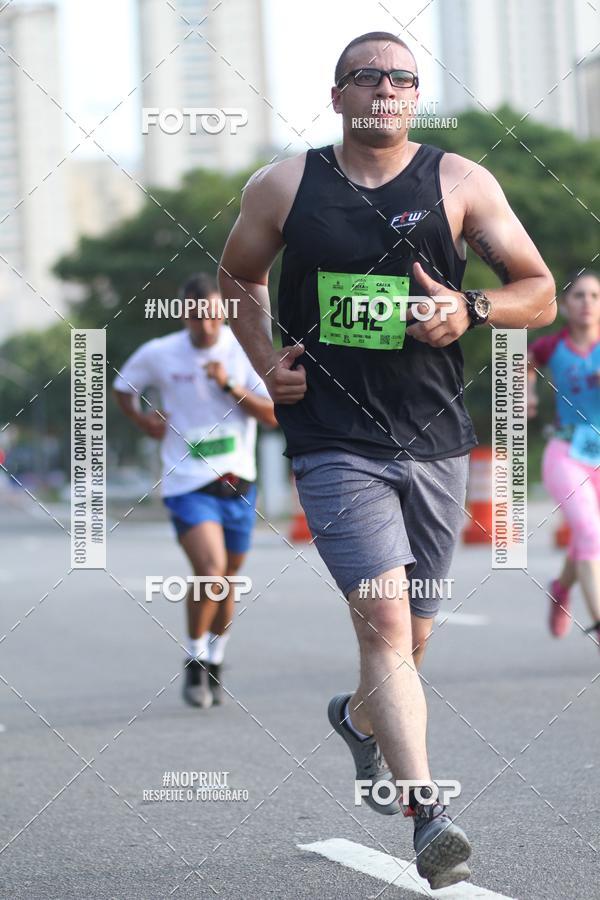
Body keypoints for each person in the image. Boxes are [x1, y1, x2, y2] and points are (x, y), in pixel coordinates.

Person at [219, 32, 555, 890]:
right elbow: (237, 278)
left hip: (436, 437)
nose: (387, 89)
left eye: (403, 79)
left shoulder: (460, 183)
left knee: (416, 635)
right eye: (368, 77)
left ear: (415, 96)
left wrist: (471, 308)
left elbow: (537, 288)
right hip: (333, 440)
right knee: (386, 627)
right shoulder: (285, 186)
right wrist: (264, 364)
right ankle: (428, 812)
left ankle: (361, 724)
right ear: (338, 96)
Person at [113, 273, 276, 708]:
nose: (205, 325)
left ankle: (215, 659)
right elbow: (122, 388)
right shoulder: (160, 353)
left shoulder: (243, 349)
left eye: (212, 315)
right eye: (195, 316)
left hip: (238, 480)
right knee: (210, 568)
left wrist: (230, 386)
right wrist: (144, 420)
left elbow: (274, 416)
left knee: (227, 581)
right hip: (187, 482)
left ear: (222, 312)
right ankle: (193, 659)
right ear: (184, 314)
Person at [528, 270, 600, 646]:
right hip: (566, 453)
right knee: (589, 532)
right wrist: (526, 393)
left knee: (589, 538)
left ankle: (561, 588)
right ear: (566, 305)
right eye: (579, 296)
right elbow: (521, 359)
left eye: (594, 296)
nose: (587, 303)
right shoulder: (552, 345)